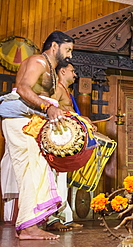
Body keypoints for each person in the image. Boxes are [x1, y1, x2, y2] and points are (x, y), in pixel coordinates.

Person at [0, 30, 74, 240]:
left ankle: (31, 223)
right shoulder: (38, 62)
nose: (69, 55)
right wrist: (47, 107)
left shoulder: (50, 68)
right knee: (29, 171)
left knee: (38, 170)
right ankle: (27, 227)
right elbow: (23, 88)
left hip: (29, 121)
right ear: (54, 46)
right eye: (67, 50)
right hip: (19, 121)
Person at [45, 60, 83, 231]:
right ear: (62, 71)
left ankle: (65, 217)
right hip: (56, 140)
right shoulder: (57, 89)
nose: (75, 74)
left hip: (65, 141)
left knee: (62, 181)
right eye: (72, 71)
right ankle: (52, 219)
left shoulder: (66, 91)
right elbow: (49, 110)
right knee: (54, 179)